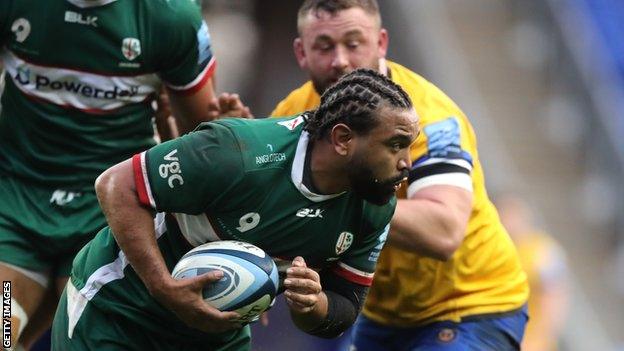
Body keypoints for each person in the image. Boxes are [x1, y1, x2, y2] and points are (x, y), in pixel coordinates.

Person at [51, 69, 419, 350]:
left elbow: (346, 305)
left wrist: (314, 305)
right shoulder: (237, 152)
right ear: (342, 139)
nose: (406, 163)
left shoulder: (374, 207)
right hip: (121, 312)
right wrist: (163, 287)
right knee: (8, 322)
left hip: (216, 337)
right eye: (396, 145)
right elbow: (116, 185)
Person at [270, 1, 530, 349]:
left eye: (353, 42)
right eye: (324, 46)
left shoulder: (429, 116)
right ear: (302, 53)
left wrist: (339, 195)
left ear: (381, 43)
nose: (341, 61)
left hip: (470, 303)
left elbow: (443, 230)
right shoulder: (290, 114)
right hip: (381, 315)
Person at [0, 0, 249, 349]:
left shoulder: (170, 16)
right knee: (4, 333)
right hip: (15, 206)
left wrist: (226, 131)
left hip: (111, 217)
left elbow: (199, 140)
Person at [496, 195, 569, 351]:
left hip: (532, 342)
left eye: (511, 215)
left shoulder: (542, 251)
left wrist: (546, 333)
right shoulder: (498, 250)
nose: (507, 221)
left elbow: (555, 296)